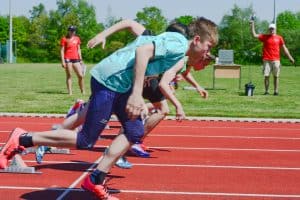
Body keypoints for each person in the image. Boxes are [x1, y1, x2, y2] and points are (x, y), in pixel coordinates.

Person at [0, 17, 218, 200]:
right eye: (208, 47)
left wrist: (138, 95)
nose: (207, 53)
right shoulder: (178, 42)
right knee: (86, 140)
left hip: (119, 85)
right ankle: (23, 139)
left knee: (134, 132)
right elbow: (143, 51)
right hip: (109, 81)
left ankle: (95, 179)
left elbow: (146, 58)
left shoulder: (180, 55)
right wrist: (135, 94)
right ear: (197, 40)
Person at [250, 21, 295, 95]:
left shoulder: (279, 38)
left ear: (275, 29)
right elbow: (254, 35)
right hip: (266, 60)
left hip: (276, 60)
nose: (271, 30)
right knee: (266, 76)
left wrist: (290, 57)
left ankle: (276, 91)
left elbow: (284, 48)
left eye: (273, 29)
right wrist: (252, 25)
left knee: (276, 76)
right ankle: (266, 91)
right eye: (270, 29)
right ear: (268, 29)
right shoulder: (265, 37)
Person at [61, 25, 86, 95]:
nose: (72, 32)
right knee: (69, 75)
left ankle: (82, 90)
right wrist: (63, 61)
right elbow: (62, 50)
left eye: (73, 30)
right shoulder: (64, 39)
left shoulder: (77, 38)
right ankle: (70, 92)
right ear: (68, 31)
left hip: (76, 59)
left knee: (81, 75)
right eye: (71, 30)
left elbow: (79, 49)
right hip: (67, 59)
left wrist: (80, 59)